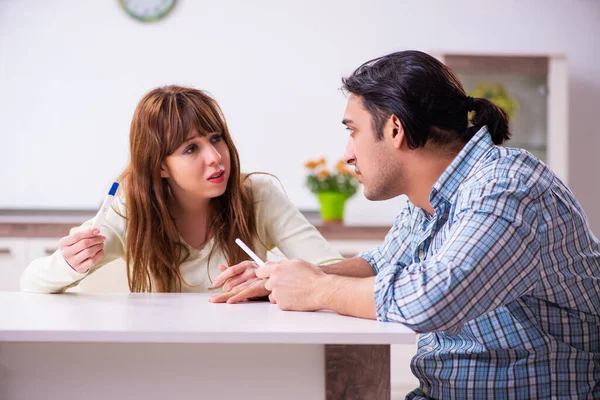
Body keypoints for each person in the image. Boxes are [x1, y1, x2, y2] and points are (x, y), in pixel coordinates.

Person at [252, 51, 600, 399]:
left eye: (353, 132)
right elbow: (382, 263)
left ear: (394, 129)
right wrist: (288, 277)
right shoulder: (431, 198)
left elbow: (432, 299)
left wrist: (317, 289)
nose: (347, 154)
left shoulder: (507, 188)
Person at [20, 85, 342, 294]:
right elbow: (30, 283)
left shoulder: (257, 196)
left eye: (216, 139)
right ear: (160, 166)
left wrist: (272, 280)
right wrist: (70, 262)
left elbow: (332, 270)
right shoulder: (131, 209)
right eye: (191, 149)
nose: (216, 158)